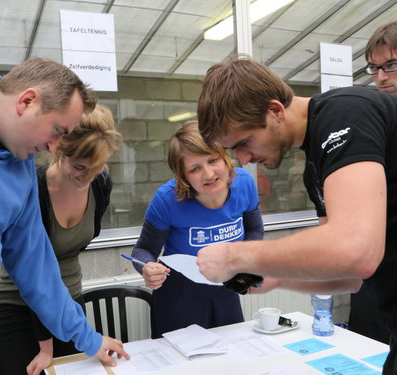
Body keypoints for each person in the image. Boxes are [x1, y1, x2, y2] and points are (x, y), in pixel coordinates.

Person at [0, 56, 129, 375]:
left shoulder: (23, 175)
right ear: (27, 101)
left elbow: (37, 270)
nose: (53, 147)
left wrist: (89, 338)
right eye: (57, 131)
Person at [196, 55, 397, 374]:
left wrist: (237, 255)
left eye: (245, 142)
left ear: (275, 111)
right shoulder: (315, 165)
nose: (245, 158)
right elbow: (351, 275)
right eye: (235, 150)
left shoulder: (345, 113)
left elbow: (356, 251)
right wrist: (278, 278)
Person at [0, 104, 123, 375]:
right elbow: (33, 271)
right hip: (18, 310)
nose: (88, 177)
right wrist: (46, 345)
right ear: (58, 148)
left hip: (69, 306)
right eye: (80, 167)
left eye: (98, 167)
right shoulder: (34, 190)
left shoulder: (100, 183)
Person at [131, 121, 264, 338]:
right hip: (179, 296)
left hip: (226, 288)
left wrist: (244, 261)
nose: (209, 174)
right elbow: (143, 250)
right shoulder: (167, 200)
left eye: (213, 160)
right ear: (183, 176)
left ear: (224, 156)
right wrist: (147, 268)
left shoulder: (245, 184)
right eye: (195, 168)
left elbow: (255, 230)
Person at [342, 20, 397, 344]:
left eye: (390, 65)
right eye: (373, 68)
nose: (380, 77)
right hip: (374, 277)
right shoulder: (373, 120)